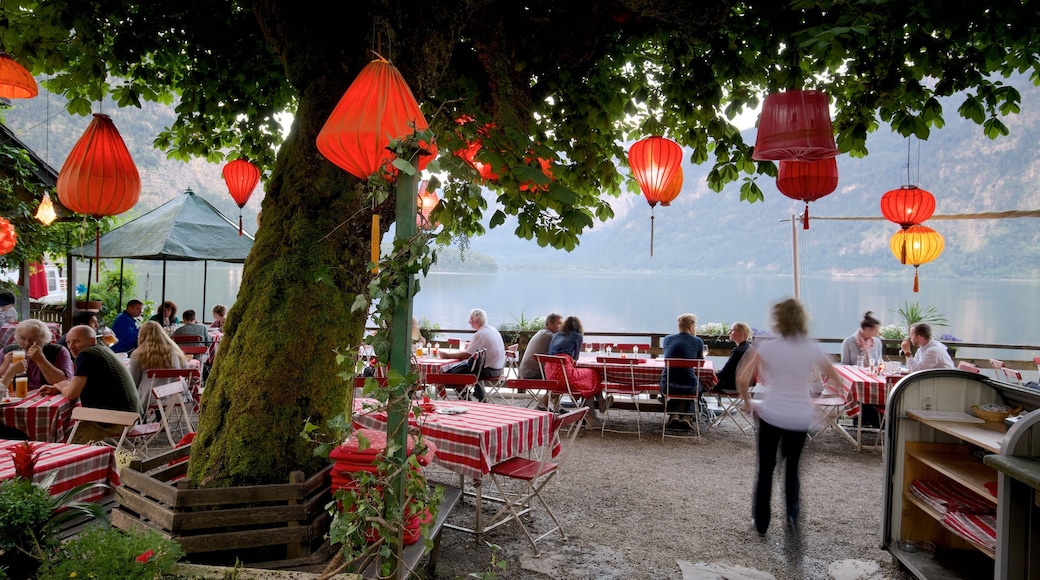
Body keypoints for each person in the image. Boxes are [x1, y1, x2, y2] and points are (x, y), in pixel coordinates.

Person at [737, 298, 843, 536]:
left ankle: (762, 522)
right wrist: (823, 403)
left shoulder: (768, 347)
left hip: (772, 414)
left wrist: (747, 402)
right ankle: (792, 517)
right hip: (800, 416)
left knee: (766, 470)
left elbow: (743, 379)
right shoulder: (811, 347)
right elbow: (836, 378)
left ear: (778, 320)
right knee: (792, 470)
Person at [38, 325, 141, 444]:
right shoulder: (102, 349)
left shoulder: (87, 354)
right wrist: (59, 388)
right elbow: (77, 385)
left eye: (76, 341)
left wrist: (61, 385)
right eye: (68, 342)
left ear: (91, 340)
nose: (71, 346)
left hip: (116, 420)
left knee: (60, 436)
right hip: (131, 415)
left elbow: (71, 394)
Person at [545, 315, 605, 421]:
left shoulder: (557, 334)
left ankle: (595, 407)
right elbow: (575, 357)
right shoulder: (577, 336)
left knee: (588, 376)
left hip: (550, 374)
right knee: (592, 373)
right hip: (564, 375)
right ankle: (596, 406)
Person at [442, 308, 506, 402]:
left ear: (477, 321)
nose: (469, 322)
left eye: (471, 319)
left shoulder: (480, 334)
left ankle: (466, 399)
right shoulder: (492, 330)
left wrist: (447, 355)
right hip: (499, 369)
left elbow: (467, 354)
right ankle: (481, 398)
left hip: (489, 370)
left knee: (455, 373)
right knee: (474, 367)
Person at [659, 313, 706, 430]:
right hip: (689, 388)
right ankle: (688, 415)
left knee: (670, 379)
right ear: (691, 327)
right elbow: (700, 362)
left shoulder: (667, 339)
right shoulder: (698, 341)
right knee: (699, 384)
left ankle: (673, 413)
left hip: (668, 386)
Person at [0, 319, 73, 391]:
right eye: (22, 338)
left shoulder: (58, 351)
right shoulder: (7, 351)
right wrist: (4, 366)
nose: (27, 343)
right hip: (15, 398)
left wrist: (41, 360)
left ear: (44, 338)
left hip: (47, 398)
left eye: (33, 339)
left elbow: (64, 382)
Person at [129, 321, 190, 408]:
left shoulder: (138, 354)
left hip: (150, 397)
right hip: (176, 394)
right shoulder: (174, 351)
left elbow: (133, 381)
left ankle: (142, 419)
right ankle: (162, 419)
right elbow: (185, 369)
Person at [840, 311, 885, 427]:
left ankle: (873, 420)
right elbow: (844, 364)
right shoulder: (849, 342)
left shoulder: (877, 343)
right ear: (867, 329)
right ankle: (861, 420)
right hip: (855, 380)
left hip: (872, 378)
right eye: (876, 330)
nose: (877, 332)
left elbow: (878, 361)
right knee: (858, 392)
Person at [519, 314, 563, 380]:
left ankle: (552, 390)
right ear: (550, 324)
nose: (562, 326)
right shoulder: (549, 336)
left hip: (525, 372)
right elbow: (563, 347)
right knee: (562, 376)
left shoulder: (543, 333)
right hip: (532, 373)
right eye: (559, 323)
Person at [713, 322, 753, 393]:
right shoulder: (749, 347)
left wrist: (711, 376)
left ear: (741, 333)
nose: (729, 332)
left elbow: (725, 373)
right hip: (747, 385)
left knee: (699, 384)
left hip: (731, 386)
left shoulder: (738, 351)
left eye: (732, 330)